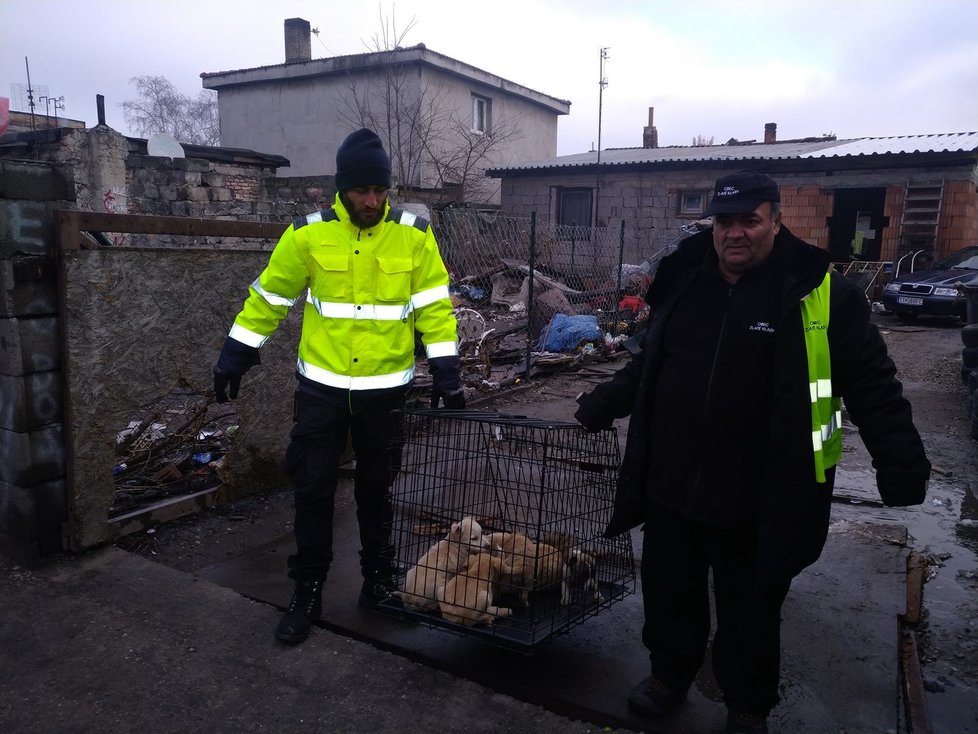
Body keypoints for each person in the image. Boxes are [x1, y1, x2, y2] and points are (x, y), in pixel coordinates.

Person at [574, 170, 930, 734]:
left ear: (775, 220)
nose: (734, 233)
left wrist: (901, 463)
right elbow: (652, 364)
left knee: (751, 609)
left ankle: (747, 705)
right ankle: (669, 676)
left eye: (749, 221)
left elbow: (874, 386)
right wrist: (603, 402)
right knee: (669, 593)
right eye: (724, 221)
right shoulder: (687, 280)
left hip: (762, 494)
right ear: (711, 224)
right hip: (672, 481)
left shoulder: (820, 292)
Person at [212, 128, 464, 645]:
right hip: (321, 391)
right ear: (341, 187)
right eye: (360, 191)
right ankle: (306, 591)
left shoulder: (415, 235)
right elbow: (269, 298)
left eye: (379, 190)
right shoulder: (307, 235)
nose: (371, 201)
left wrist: (446, 370)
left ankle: (377, 582)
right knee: (312, 490)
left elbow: (435, 309)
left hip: (385, 393)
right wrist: (238, 351)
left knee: (377, 489)